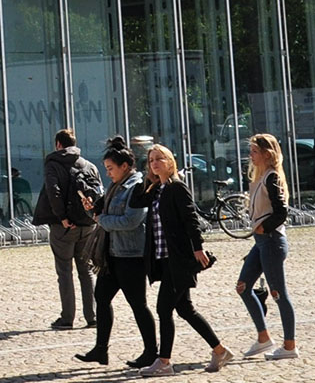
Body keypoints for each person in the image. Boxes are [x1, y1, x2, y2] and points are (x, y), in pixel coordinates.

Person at [130, 144, 234, 376]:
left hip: (178, 258)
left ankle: (164, 362)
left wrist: (198, 249)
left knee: (163, 308)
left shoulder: (177, 187)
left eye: (159, 159)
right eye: (151, 160)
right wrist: (148, 180)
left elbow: (190, 219)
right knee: (185, 309)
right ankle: (219, 350)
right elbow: (136, 202)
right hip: (164, 259)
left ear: (170, 161)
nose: (155, 163)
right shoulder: (158, 189)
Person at [75, 136, 157, 368]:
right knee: (101, 298)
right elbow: (106, 210)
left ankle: (152, 351)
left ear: (125, 167)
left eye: (111, 169)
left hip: (131, 255)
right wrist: (95, 208)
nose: (108, 173)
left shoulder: (136, 188)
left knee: (138, 304)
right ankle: (101, 349)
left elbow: (132, 220)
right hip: (112, 253)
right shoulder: (116, 185)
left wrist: (103, 220)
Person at [235, 133, 299, 361]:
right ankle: (264, 338)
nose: (250, 156)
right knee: (243, 287)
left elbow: (282, 212)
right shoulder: (260, 178)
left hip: (271, 241)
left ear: (266, 154)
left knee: (278, 293)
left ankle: (289, 345)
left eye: (254, 151)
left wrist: (264, 227)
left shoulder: (272, 177)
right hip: (261, 243)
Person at [33, 128, 102, 329]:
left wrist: (62, 217)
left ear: (58, 145)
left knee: (64, 270)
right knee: (86, 271)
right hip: (87, 224)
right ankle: (92, 316)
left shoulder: (53, 164)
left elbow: (53, 192)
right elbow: (98, 190)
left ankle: (67, 317)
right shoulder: (88, 165)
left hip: (64, 226)